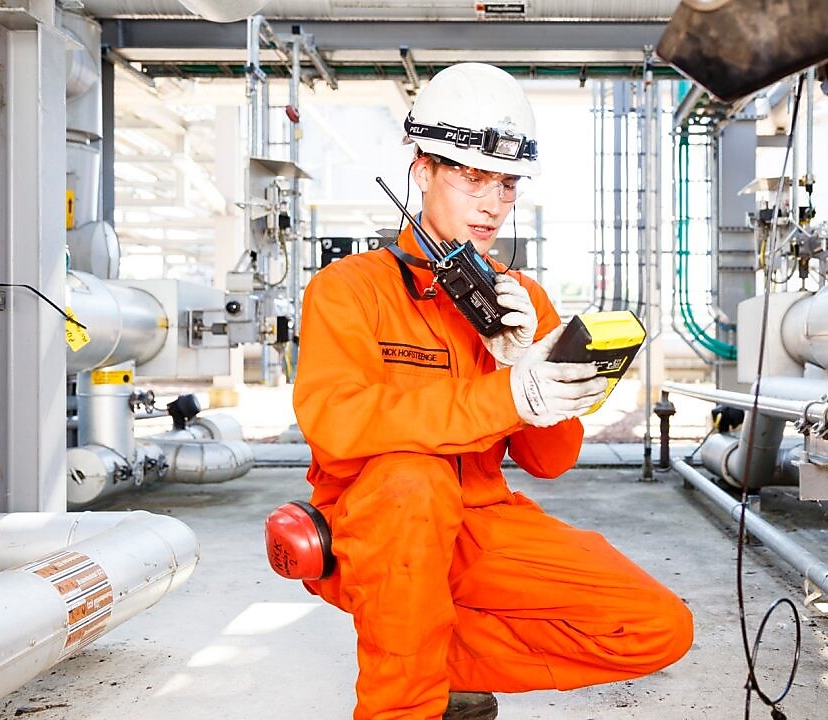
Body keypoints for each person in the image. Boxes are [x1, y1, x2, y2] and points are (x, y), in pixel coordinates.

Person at [291, 63, 694, 720]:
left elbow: (551, 461)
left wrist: (537, 369)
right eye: (471, 177)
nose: (492, 203)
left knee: (657, 625)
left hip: (479, 521)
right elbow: (338, 424)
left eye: (506, 184)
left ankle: (419, 647)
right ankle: (406, 693)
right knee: (411, 482)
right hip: (377, 527)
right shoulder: (351, 288)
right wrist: (508, 393)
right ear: (422, 170)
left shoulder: (520, 298)